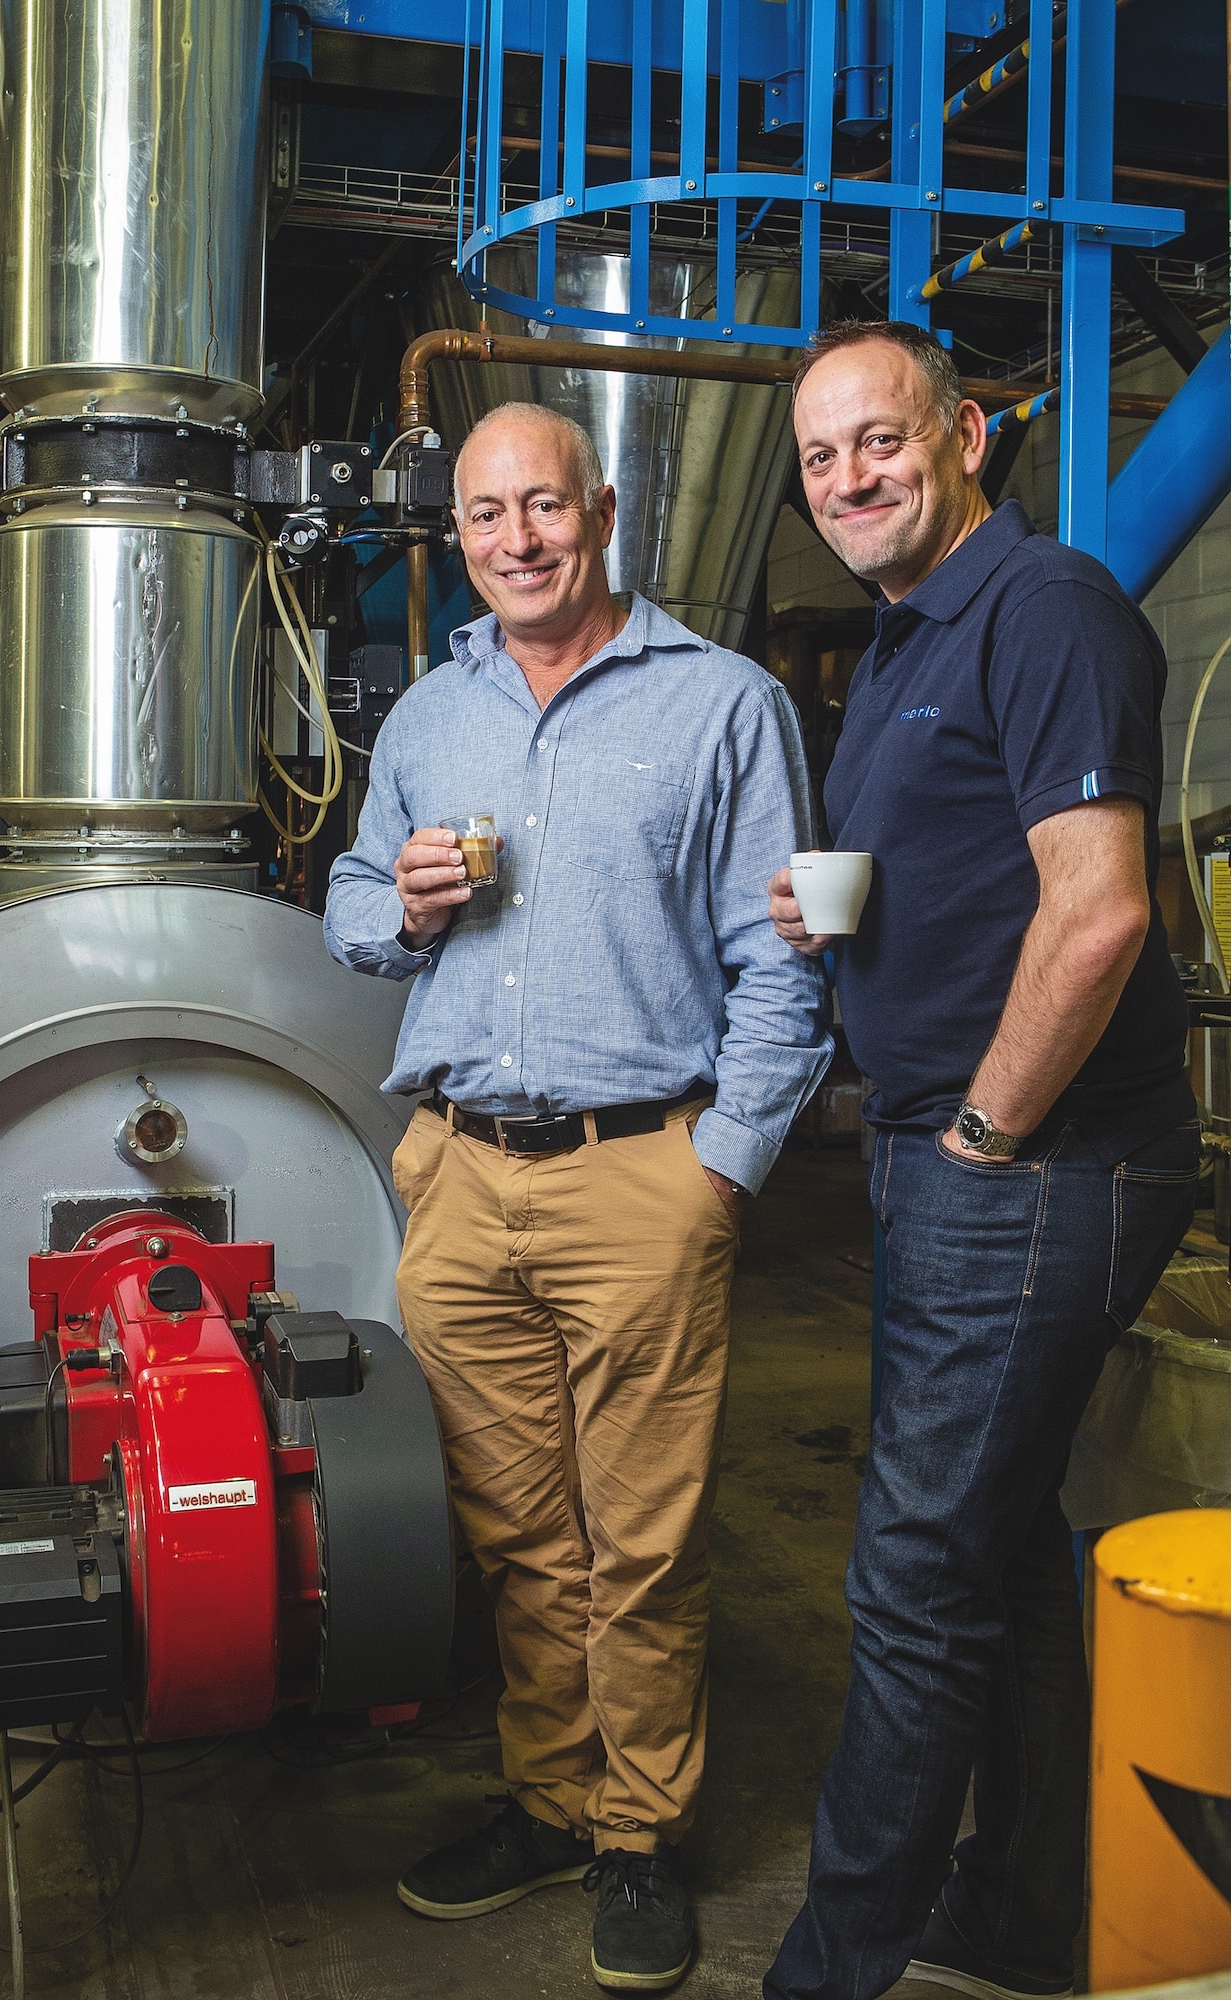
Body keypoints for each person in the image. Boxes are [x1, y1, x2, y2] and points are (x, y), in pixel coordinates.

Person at [325, 400, 831, 1992]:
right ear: (458, 534)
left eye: (544, 508)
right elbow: (349, 897)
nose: (517, 542)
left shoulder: (724, 703)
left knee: (646, 1539)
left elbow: (781, 954)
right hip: (464, 1173)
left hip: (641, 1170)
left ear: (601, 511)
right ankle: (550, 1800)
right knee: (521, 1535)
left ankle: (639, 1834)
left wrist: (724, 1165)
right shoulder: (431, 712)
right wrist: (396, 909)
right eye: (486, 517)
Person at [763, 322, 1199, 2000]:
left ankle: (831, 1966)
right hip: (958, 1152)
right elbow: (967, 872)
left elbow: (1098, 919)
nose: (847, 477)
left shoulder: (1047, 610)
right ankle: (1022, 1908)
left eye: (877, 440)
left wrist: (976, 1137)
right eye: (817, 457)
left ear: (960, 439)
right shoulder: (897, 643)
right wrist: (832, 912)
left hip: (1034, 1159)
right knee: (1004, 1546)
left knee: (918, 1576)